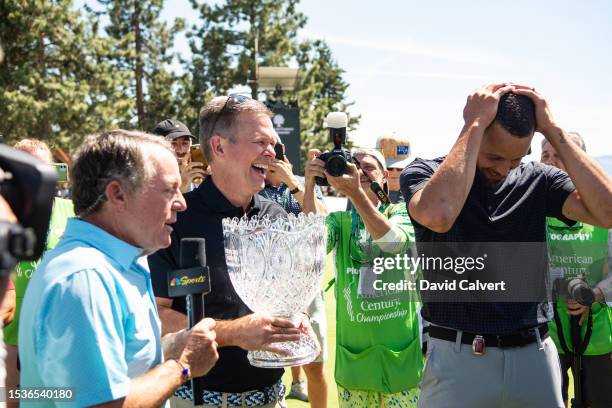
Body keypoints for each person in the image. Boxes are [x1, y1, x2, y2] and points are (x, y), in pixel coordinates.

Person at [400, 83, 612, 408]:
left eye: (516, 159)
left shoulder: (539, 178)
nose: (504, 168)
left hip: (534, 356)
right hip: (457, 359)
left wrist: (553, 130)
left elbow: (607, 212)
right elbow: (438, 215)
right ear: (475, 134)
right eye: (495, 156)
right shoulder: (425, 172)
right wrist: (472, 123)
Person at [18, 130, 219, 407]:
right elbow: (99, 404)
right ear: (117, 194)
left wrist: (164, 350)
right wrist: (181, 365)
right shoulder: (85, 277)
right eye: (168, 189)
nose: (181, 202)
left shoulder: (113, 264)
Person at [148, 95, 317, 408]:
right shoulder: (177, 221)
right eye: (259, 142)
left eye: (273, 143)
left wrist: (298, 316)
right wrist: (234, 333)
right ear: (219, 147)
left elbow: (288, 297)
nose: (272, 152)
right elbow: (156, 317)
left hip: (270, 398)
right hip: (199, 400)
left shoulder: (277, 217)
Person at [304, 147, 423, 407]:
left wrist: (356, 193)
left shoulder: (402, 213)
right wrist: (309, 184)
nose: (359, 171)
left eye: (368, 167)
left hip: (401, 360)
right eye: (353, 165)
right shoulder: (339, 221)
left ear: (383, 178)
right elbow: (311, 247)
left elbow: (394, 243)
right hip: (355, 364)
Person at [541, 133, 612, 408]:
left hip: (597, 338)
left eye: (560, 154)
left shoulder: (604, 215)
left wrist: (593, 294)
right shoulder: (532, 214)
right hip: (547, 336)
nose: (551, 162)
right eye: (546, 156)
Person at [3, 139, 75, 408]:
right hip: (13, 332)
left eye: (44, 169)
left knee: (54, 399)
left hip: (59, 331)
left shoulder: (72, 210)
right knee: (11, 400)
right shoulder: (5, 211)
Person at [259, 139, 328, 407]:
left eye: (277, 154)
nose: (272, 161)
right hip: (268, 288)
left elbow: (322, 221)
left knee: (315, 365)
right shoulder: (254, 187)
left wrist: (294, 182)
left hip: (306, 285)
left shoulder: (300, 183)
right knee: (266, 363)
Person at [153, 119, 208, 193]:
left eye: (185, 143)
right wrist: (183, 186)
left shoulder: (199, 177)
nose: (181, 150)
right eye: (173, 143)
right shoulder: (149, 179)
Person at [376, 134, 412, 203]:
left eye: (400, 168)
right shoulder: (364, 193)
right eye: (389, 168)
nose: (394, 171)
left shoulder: (414, 194)